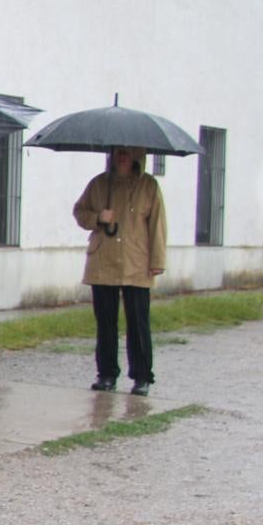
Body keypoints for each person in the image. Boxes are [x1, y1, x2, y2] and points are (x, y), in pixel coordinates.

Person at [73, 146, 167, 395]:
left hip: (136, 262)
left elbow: (158, 224)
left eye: (127, 152)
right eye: (118, 152)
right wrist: (97, 217)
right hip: (103, 261)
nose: (122, 156)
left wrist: (157, 260)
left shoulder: (148, 186)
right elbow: (79, 212)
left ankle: (142, 376)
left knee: (138, 323)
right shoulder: (98, 184)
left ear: (137, 155)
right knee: (105, 322)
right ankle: (106, 374)